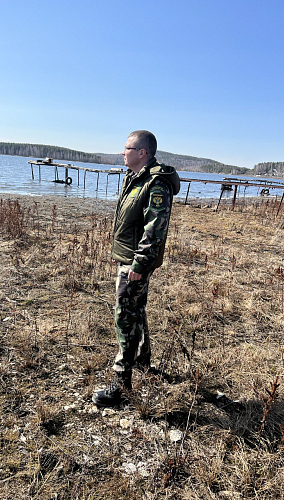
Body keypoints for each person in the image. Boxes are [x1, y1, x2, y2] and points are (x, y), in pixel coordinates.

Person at [92, 130, 180, 408]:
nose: (123, 152)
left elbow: (155, 228)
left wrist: (140, 264)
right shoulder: (136, 177)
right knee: (136, 309)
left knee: (125, 316)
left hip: (134, 262)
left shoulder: (156, 183)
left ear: (142, 152)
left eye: (127, 148)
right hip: (130, 257)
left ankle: (121, 385)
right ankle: (142, 360)